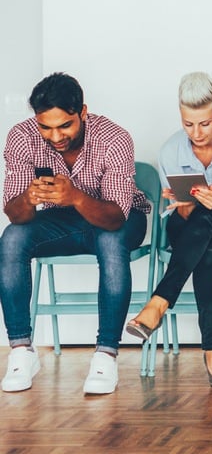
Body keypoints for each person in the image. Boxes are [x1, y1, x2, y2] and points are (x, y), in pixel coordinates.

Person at [0, 73, 151, 395]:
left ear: (82, 112)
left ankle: (106, 355)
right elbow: (15, 214)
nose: (55, 136)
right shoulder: (22, 137)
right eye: (46, 127)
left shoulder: (114, 138)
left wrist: (76, 197)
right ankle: (21, 351)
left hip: (119, 217)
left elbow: (114, 218)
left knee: (111, 240)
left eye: (65, 125)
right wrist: (28, 197)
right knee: (12, 238)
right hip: (62, 221)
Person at [123, 72, 212, 389]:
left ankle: (158, 303)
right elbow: (187, 214)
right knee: (209, 246)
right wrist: (187, 203)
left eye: (204, 123)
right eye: (188, 123)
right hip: (194, 226)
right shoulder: (170, 151)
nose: (196, 132)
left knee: (210, 221)